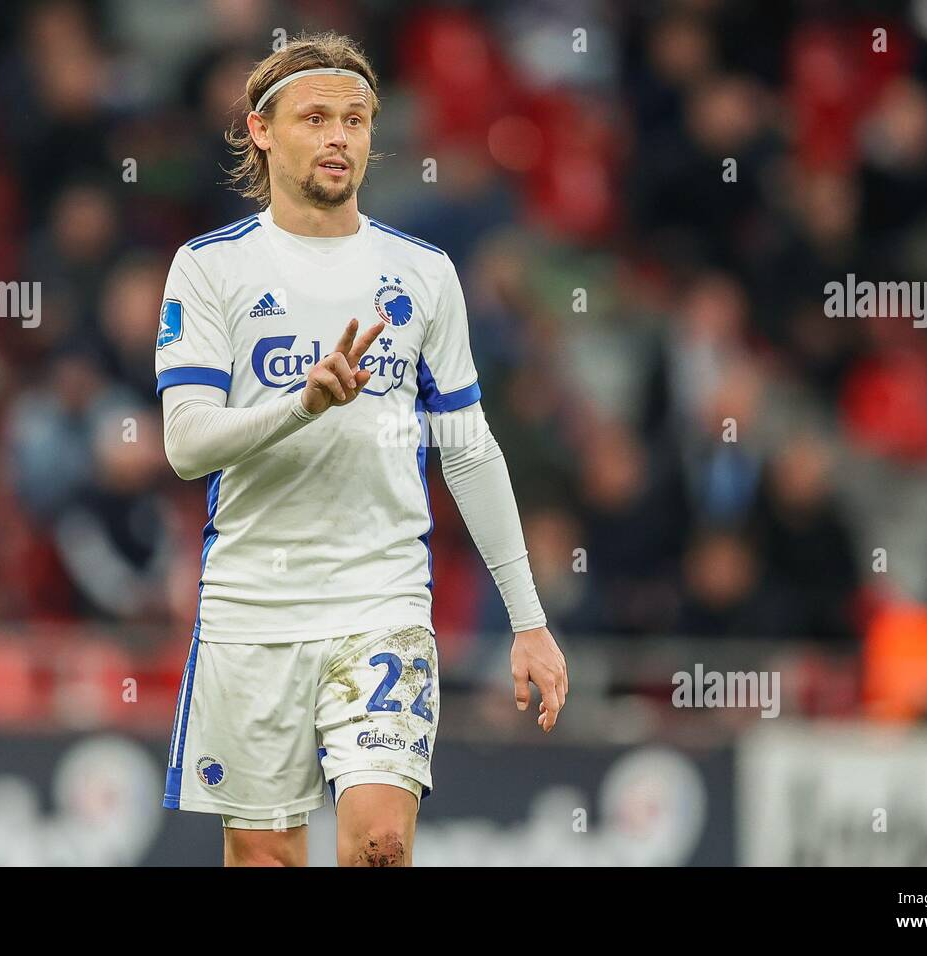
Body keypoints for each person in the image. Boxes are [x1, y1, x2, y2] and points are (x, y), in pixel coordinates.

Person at [155, 32, 567, 866]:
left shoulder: (422, 274)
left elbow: (470, 449)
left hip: (379, 599)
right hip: (254, 608)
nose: (340, 136)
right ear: (262, 129)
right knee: (267, 857)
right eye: (316, 117)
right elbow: (186, 444)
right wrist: (301, 404)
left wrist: (529, 619)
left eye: (356, 118)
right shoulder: (209, 270)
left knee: (381, 842)